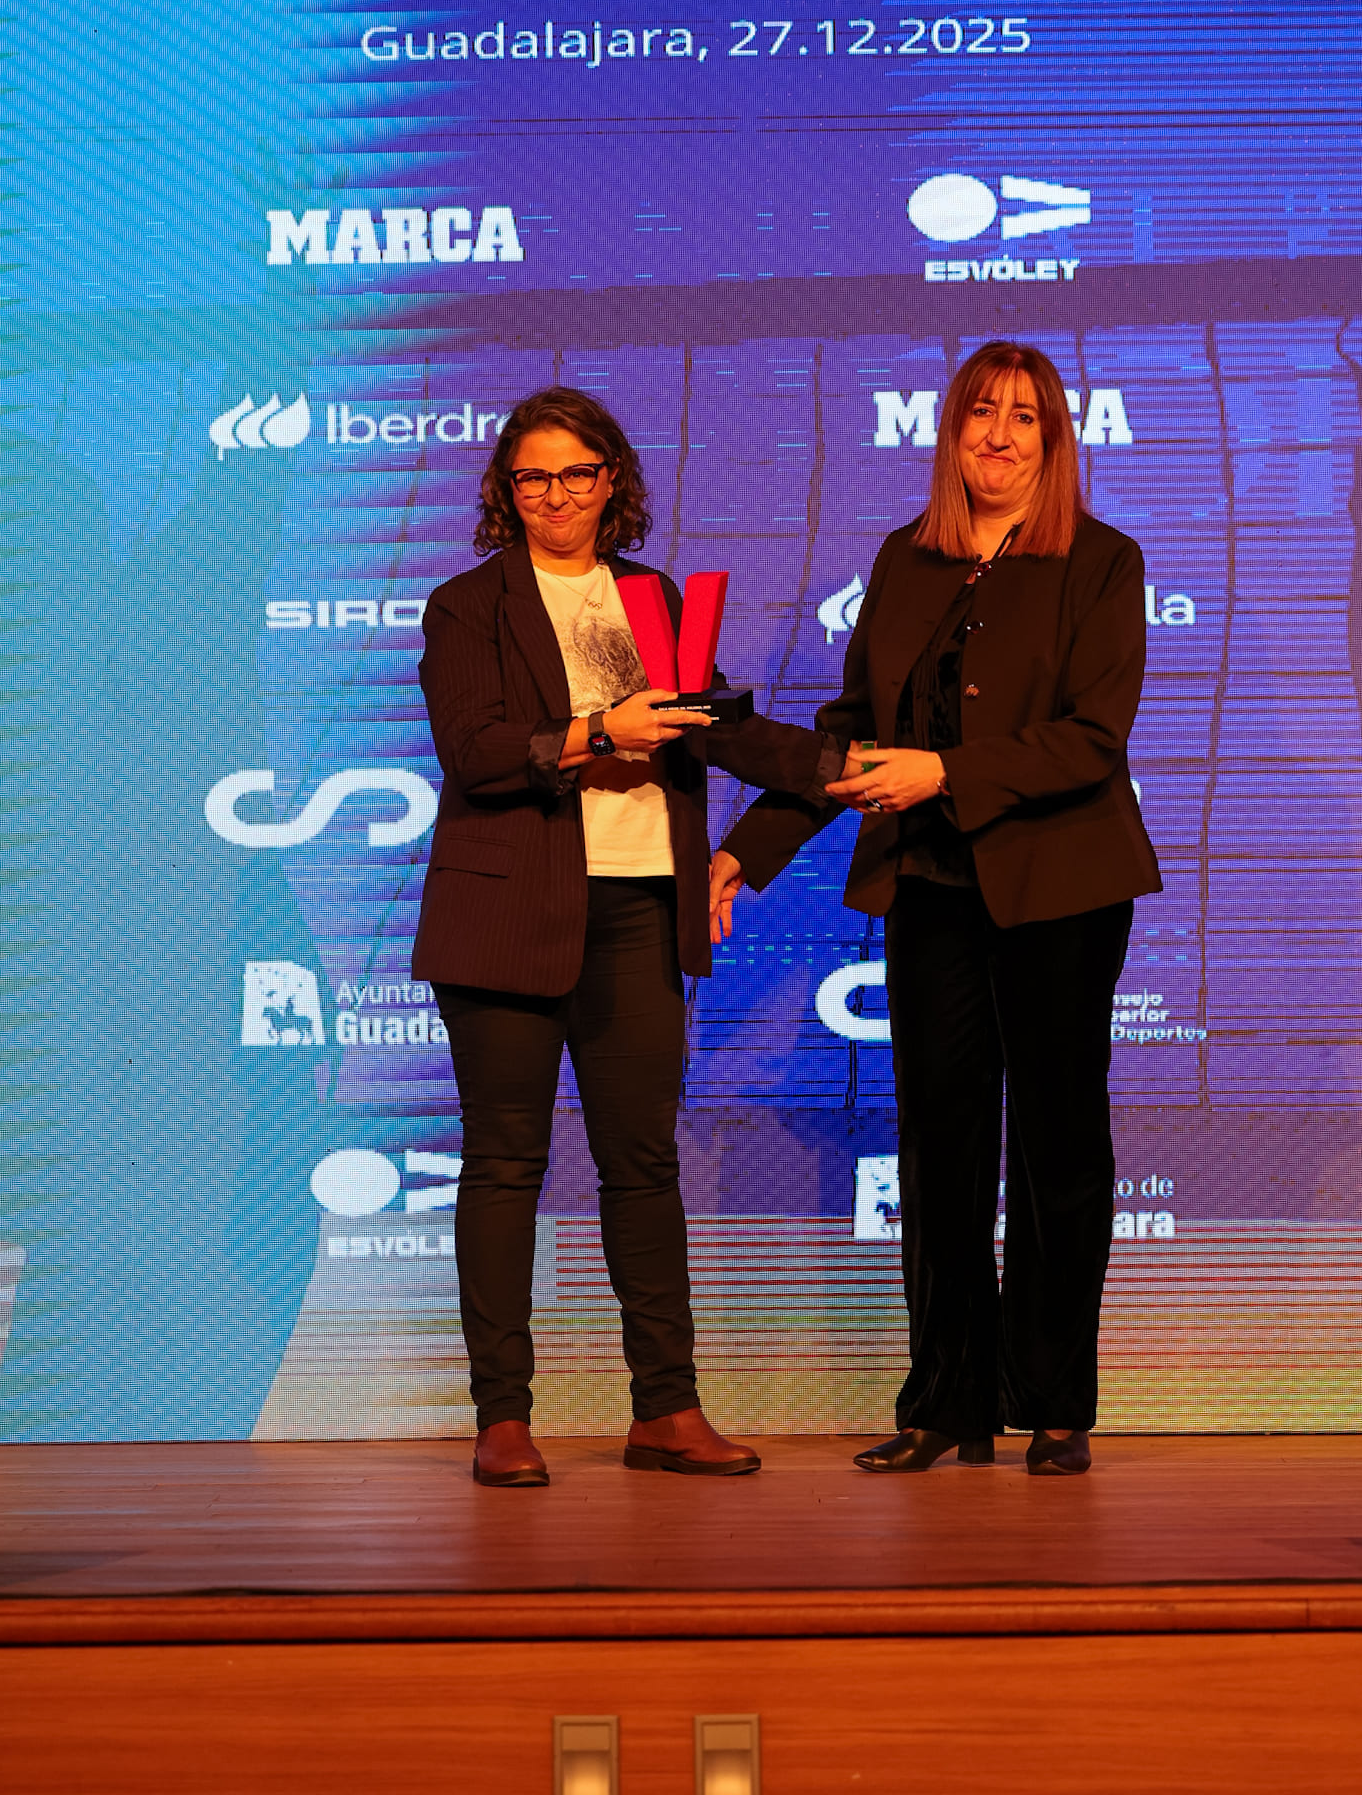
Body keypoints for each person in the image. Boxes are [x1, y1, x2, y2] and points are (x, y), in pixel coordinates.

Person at [709, 341, 1162, 1477]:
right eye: (979, 414)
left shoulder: (1103, 560)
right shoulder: (906, 558)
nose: (999, 435)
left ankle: (1053, 1402)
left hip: (1061, 887)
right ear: (949, 432)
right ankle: (946, 1400)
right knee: (940, 1142)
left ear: (1054, 441)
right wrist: (748, 851)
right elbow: (851, 729)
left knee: (1059, 1144)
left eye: (1024, 417)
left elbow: (1091, 738)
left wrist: (947, 773)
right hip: (930, 886)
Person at [412, 385, 838, 1487]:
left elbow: (715, 726)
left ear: (613, 482)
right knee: (504, 1164)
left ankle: (667, 1407)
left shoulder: (652, 597)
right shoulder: (466, 606)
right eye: (533, 477)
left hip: (641, 906)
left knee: (642, 1164)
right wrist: (600, 729)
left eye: (577, 473)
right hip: (505, 914)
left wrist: (841, 769)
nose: (556, 495)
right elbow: (476, 751)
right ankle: (503, 1417)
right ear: (506, 490)